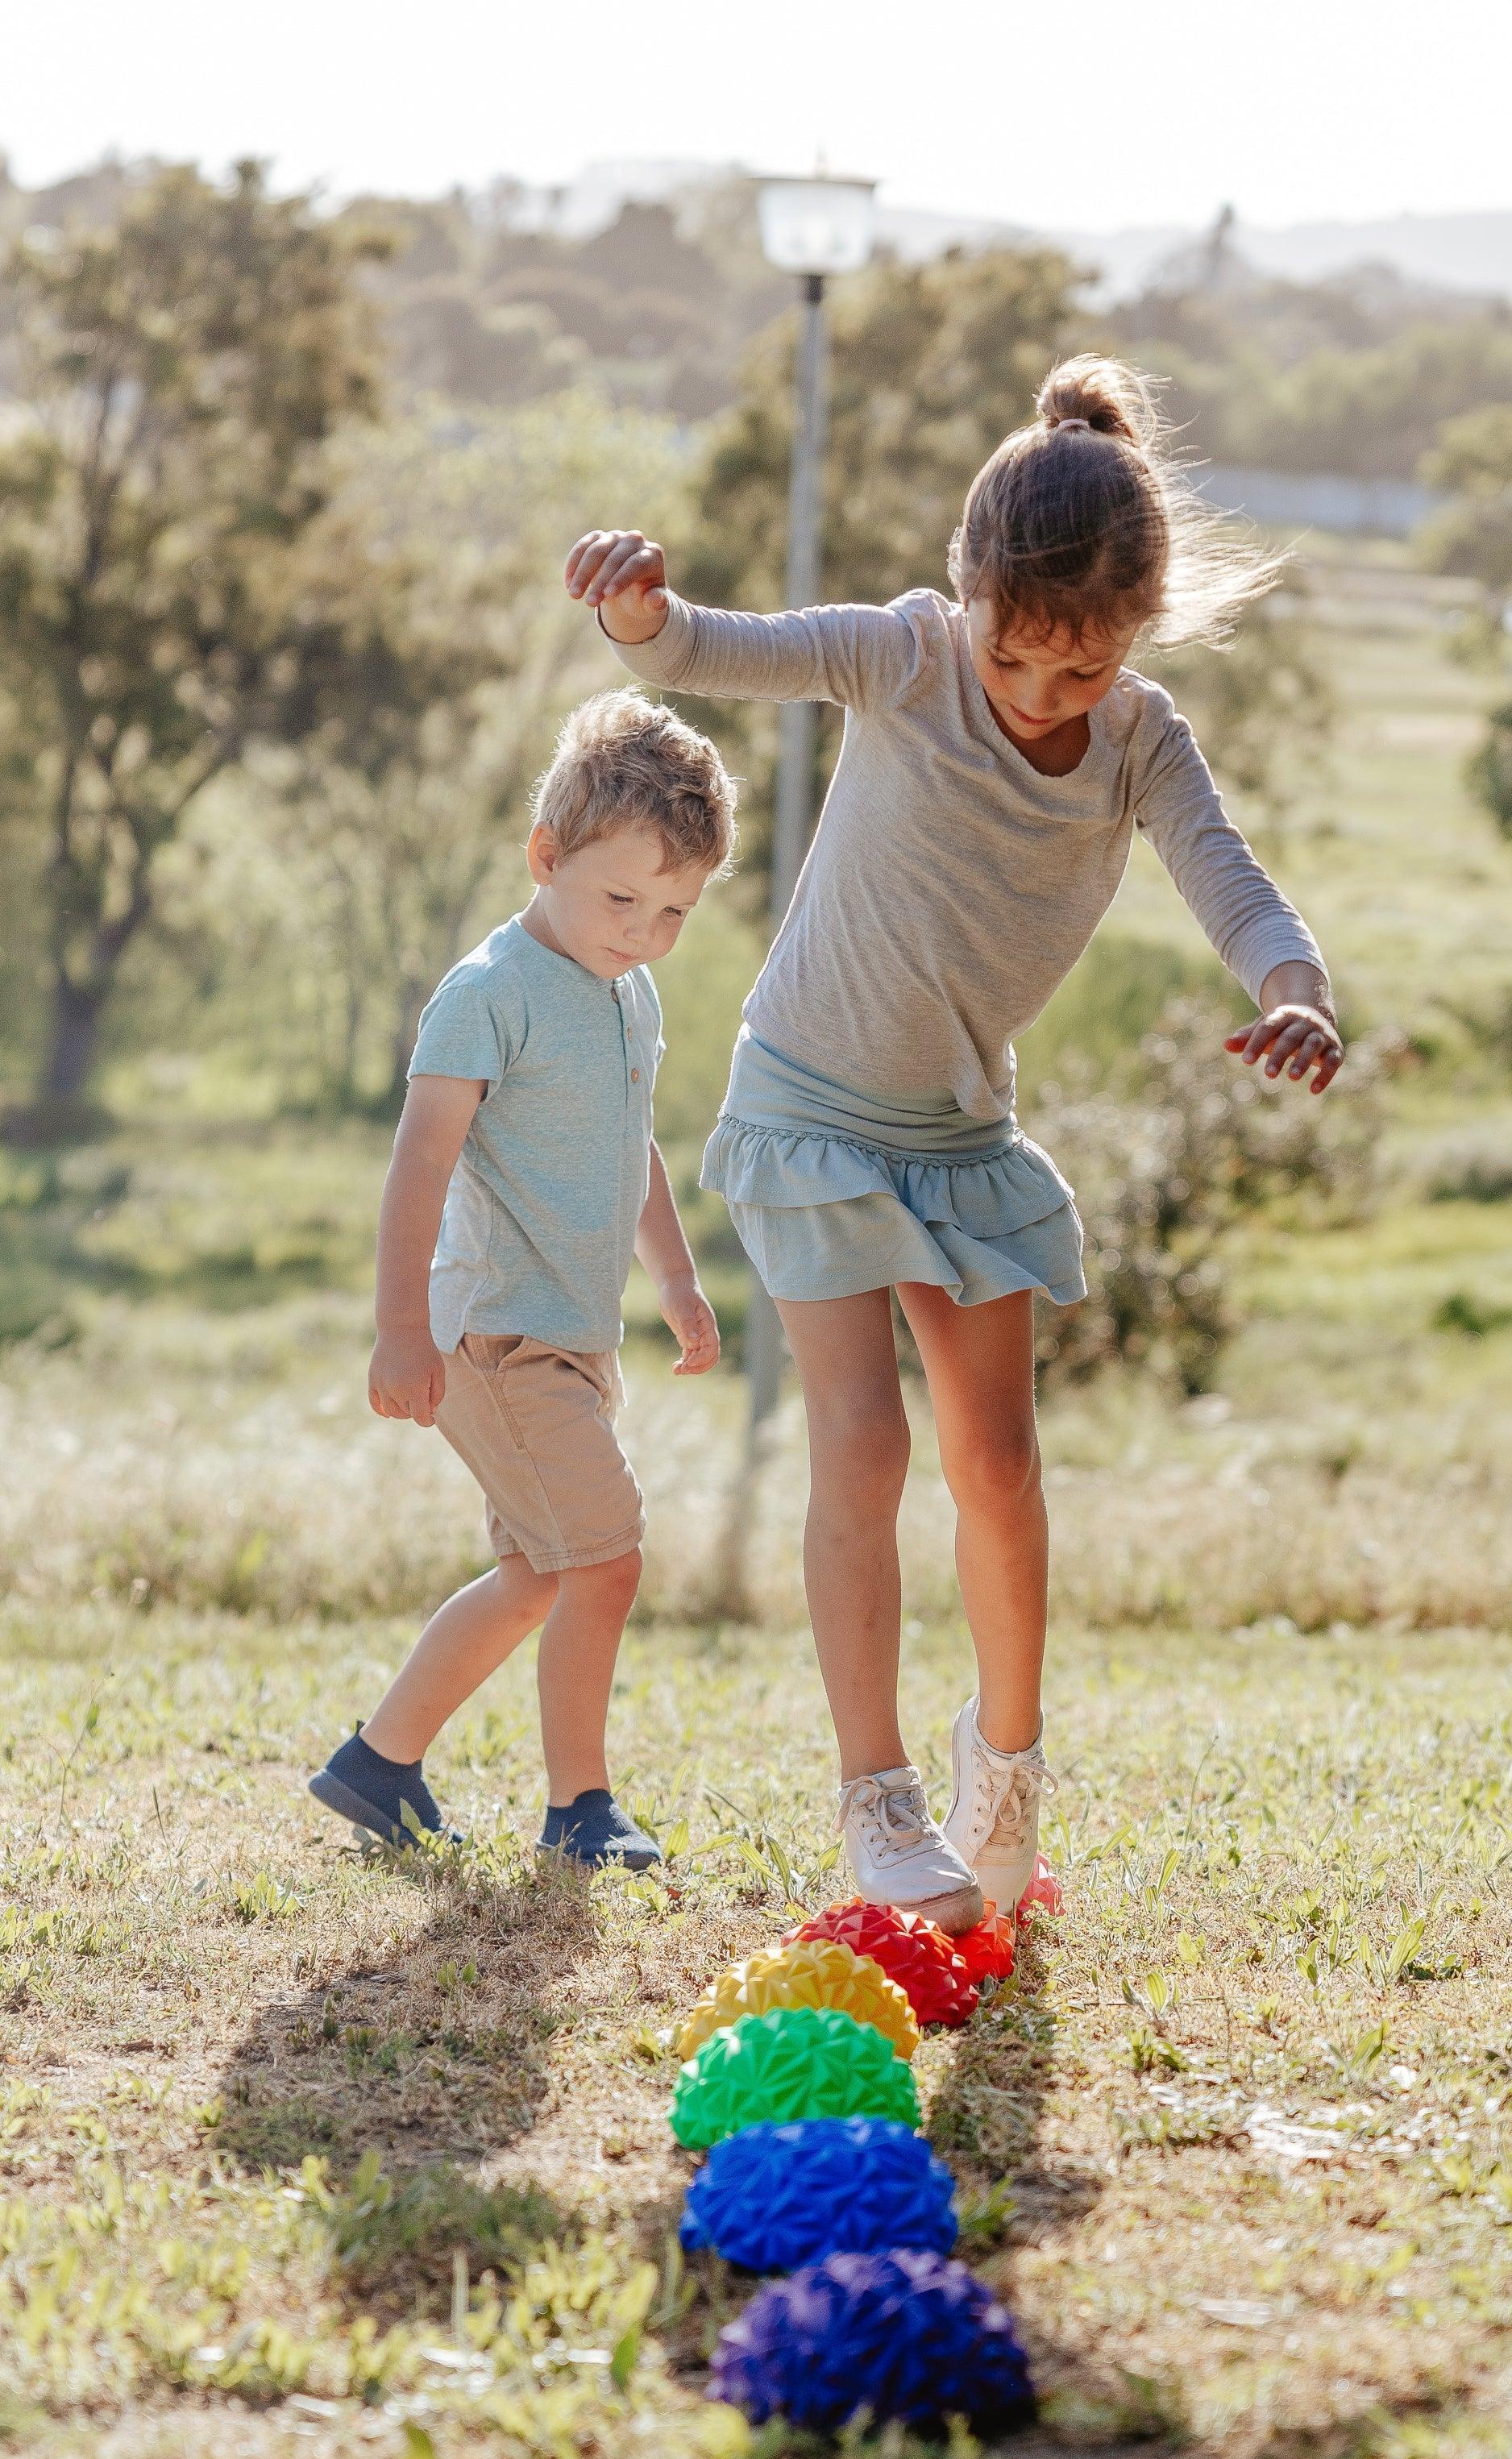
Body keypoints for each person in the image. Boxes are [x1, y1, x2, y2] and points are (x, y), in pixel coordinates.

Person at [567, 355, 1342, 1932]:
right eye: (1021, 658)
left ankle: (1010, 1770)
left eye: (1084, 670)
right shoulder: (907, 659)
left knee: (997, 1460)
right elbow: (723, 648)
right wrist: (643, 616)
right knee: (866, 1442)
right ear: (969, 592)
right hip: (807, 1104)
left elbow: (1235, 886)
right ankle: (880, 1797)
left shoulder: (1139, 740)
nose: (1043, 696)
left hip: (960, 1130)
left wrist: (1296, 989)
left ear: (1133, 636)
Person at [308, 690, 735, 1869]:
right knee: (604, 1556)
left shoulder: (625, 990)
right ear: (546, 857)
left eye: (674, 912)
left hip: (569, 1333)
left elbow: (630, 1142)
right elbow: (420, 1164)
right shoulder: (489, 992)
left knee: (540, 1572)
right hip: (491, 1334)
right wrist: (402, 1331)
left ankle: (378, 1764)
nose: (645, 930)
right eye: (620, 898)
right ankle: (578, 1810)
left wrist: (678, 1280)